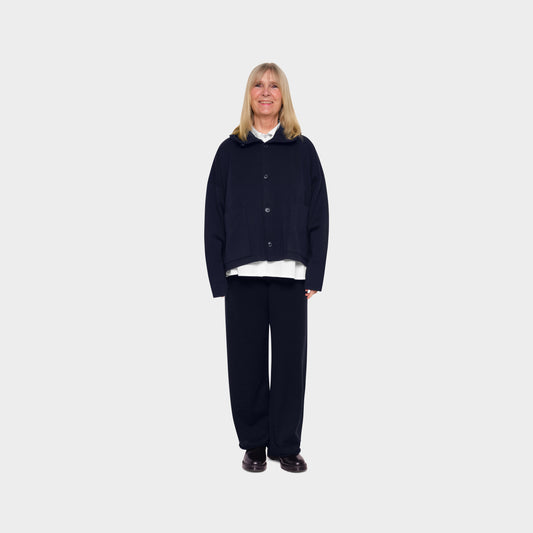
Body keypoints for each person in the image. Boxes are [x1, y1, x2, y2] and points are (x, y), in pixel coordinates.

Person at [204, 62, 329, 473]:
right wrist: (217, 276)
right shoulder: (229, 152)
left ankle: (286, 444)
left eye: (274, 86)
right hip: (242, 277)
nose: (265, 91)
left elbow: (319, 214)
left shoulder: (303, 150)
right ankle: (254, 444)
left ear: (283, 96)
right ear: (249, 94)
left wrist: (315, 272)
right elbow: (213, 215)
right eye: (258, 84)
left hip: (291, 277)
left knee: (291, 365)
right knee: (246, 364)